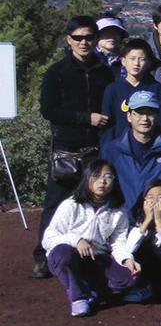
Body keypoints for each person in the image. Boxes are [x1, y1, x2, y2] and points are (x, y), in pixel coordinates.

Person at [34, 16, 115, 278]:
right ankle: (43, 256)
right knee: (55, 203)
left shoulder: (105, 72)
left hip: (95, 148)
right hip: (66, 149)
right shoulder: (56, 72)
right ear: (69, 40)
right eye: (78, 38)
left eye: (89, 37)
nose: (84, 42)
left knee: (95, 203)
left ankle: (93, 254)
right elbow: (49, 110)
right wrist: (85, 117)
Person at [41, 158, 137, 317]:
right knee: (63, 254)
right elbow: (48, 238)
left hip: (96, 258)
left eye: (108, 176)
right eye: (96, 176)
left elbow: (117, 243)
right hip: (70, 255)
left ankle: (87, 290)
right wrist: (76, 240)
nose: (102, 181)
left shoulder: (118, 210)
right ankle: (78, 298)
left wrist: (127, 259)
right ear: (87, 178)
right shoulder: (71, 204)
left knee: (128, 278)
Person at [101, 90, 161, 207]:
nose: (145, 119)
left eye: (150, 113)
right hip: (121, 219)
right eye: (138, 113)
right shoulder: (111, 150)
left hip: (159, 218)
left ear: (157, 116)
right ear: (129, 116)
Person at [100, 38, 161, 141]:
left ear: (148, 63)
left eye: (142, 59)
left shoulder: (156, 88)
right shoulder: (113, 89)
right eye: (132, 58)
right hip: (120, 146)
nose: (136, 63)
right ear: (123, 61)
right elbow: (108, 124)